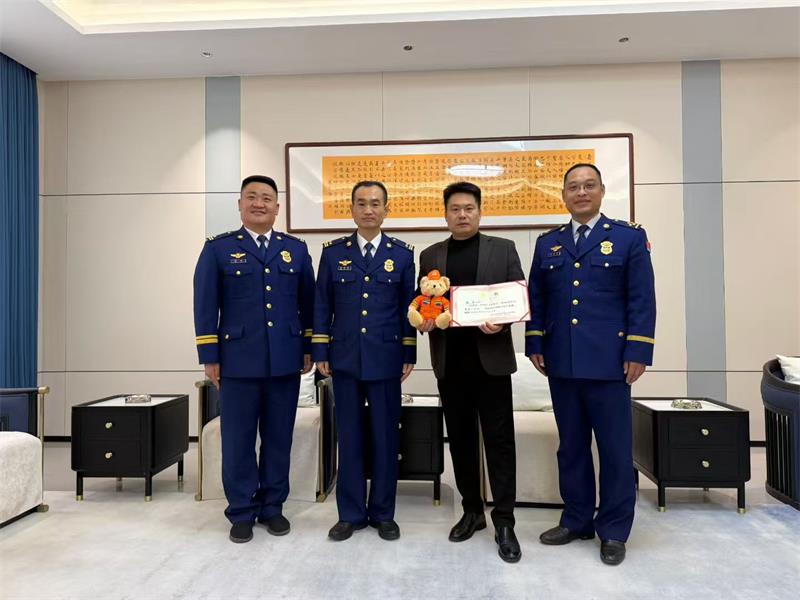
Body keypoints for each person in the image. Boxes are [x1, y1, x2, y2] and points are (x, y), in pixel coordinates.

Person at [526, 163, 656, 566]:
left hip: (610, 364)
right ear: (563, 195)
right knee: (572, 447)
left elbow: (642, 298)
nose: (581, 192)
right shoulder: (548, 244)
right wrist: (535, 343)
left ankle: (614, 529)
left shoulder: (627, 237)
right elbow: (537, 298)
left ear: (601, 191)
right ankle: (577, 519)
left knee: (615, 450)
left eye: (588, 186)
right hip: (562, 363)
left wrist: (638, 351)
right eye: (573, 187)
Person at [193, 175, 315, 543]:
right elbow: (205, 306)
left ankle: (272, 507)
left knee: (279, 439)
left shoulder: (295, 250)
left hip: (285, 361)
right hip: (237, 362)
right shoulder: (218, 249)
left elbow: (308, 304)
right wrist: (210, 356)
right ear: (240, 205)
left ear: (277, 207)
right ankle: (242, 511)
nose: (259, 203)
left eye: (266, 198)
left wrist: (308, 348)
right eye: (251, 197)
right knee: (238, 441)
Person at [416, 181, 524, 563]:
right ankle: (472, 511)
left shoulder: (503, 249)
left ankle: (505, 521)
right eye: (455, 209)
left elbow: (518, 298)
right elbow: (423, 303)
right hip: (451, 364)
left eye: (469, 208)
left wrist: (504, 321)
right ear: (445, 214)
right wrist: (424, 321)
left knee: (500, 442)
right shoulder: (430, 254)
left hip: (491, 364)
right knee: (460, 441)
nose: (462, 215)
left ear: (479, 211)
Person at [312, 181, 416, 542]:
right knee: (350, 436)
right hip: (343, 359)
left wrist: (408, 352)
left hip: (386, 358)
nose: (368, 209)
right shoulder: (332, 254)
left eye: (375, 203)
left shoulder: (402, 255)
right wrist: (321, 351)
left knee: (386, 437)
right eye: (361, 203)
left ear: (387, 209)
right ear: (351, 209)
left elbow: (408, 309)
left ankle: (383, 513)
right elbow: (322, 304)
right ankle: (350, 514)